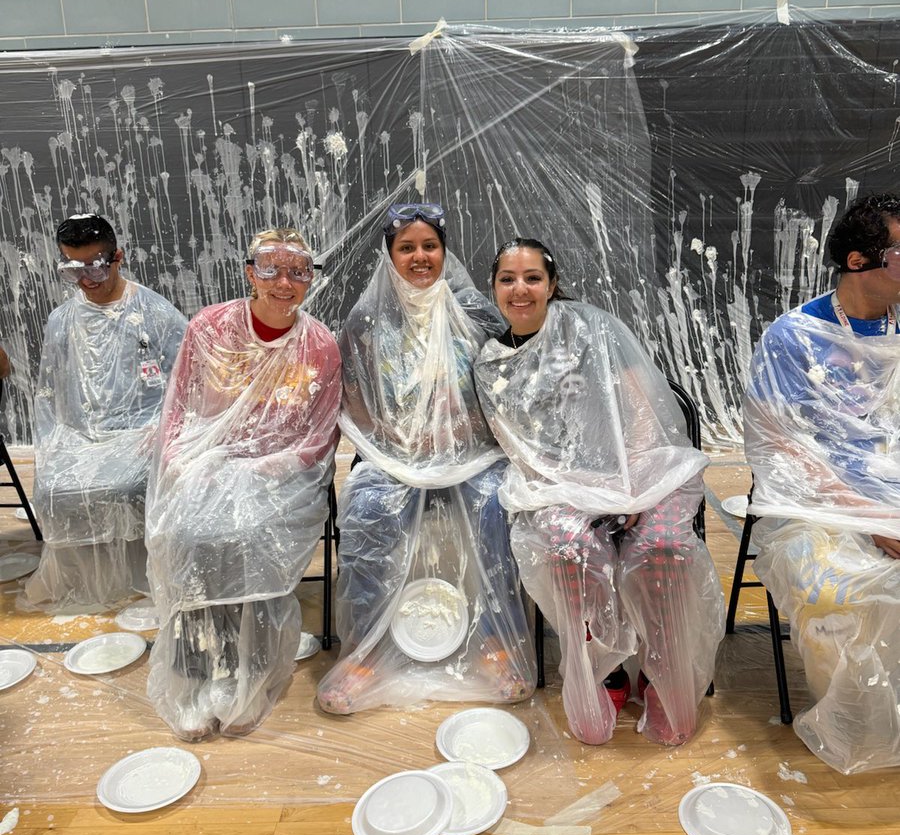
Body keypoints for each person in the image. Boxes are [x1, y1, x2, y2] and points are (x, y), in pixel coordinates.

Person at [474, 238, 724, 747]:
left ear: (552, 284)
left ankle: (659, 667)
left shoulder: (591, 329)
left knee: (663, 548)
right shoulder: (493, 363)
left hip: (643, 471)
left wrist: (631, 492)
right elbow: (521, 449)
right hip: (561, 486)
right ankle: (602, 670)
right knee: (571, 549)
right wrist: (586, 494)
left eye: (532, 278)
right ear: (494, 288)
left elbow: (644, 412)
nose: (520, 289)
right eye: (507, 279)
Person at [316, 203, 535, 714]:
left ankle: (495, 637)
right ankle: (368, 646)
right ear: (389, 256)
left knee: (496, 505)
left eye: (429, 246)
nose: (419, 256)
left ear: (444, 251)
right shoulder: (368, 318)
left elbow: (501, 388)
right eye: (407, 247)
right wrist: (395, 435)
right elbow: (354, 398)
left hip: (471, 454)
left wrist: (461, 430)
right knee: (367, 509)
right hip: (395, 457)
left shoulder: (475, 312)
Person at [145, 229, 341, 741]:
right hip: (207, 461)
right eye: (271, 269)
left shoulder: (320, 345)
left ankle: (247, 668)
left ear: (311, 279)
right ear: (250, 273)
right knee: (185, 535)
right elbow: (178, 408)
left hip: (281, 474)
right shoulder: (210, 327)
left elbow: (320, 437)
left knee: (250, 536)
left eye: (298, 271)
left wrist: (266, 470)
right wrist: (180, 463)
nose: (284, 283)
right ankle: (196, 668)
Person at [743, 193, 900, 773]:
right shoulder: (794, 339)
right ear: (859, 261)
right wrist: (869, 517)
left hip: (888, 486)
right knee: (839, 594)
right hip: (813, 501)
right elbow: (781, 449)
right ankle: (860, 718)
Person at [24, 214, 187, 612]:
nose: (86, 279)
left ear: (118, 258)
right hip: (84, 435)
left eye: (95, 266)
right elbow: (49, 397)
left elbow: (188, 382)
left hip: (141, 431)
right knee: (52, 489)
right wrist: (56, 444)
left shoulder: (154, 313)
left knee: (127, 486)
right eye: (72, 269)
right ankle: (87, 581)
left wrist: (162, 430)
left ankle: (142, 576)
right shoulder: (61, 321)